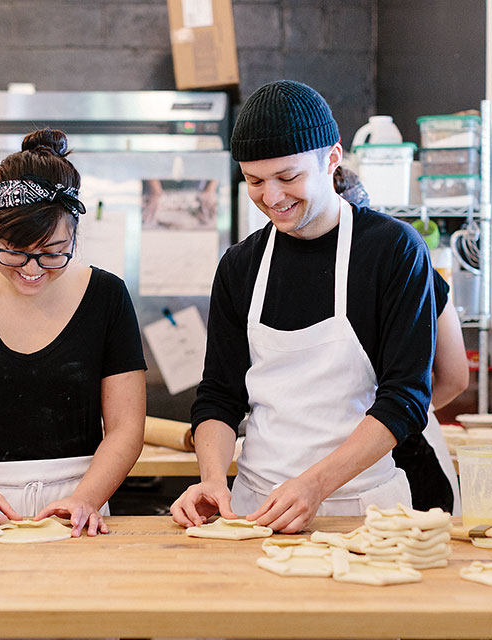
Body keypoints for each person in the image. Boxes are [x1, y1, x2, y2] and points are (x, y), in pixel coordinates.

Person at [170, 80, 437, 533]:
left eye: (288, 177)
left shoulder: (393, 250)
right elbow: (218, 394)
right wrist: (213, 479)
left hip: (364, 509)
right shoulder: (241, 265)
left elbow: (406, 399)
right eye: (255, 181)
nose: (271, 198)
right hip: (254, 508)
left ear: (331, 159)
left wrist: (315, 485)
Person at [0, 128, 147, 536]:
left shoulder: (107, 297)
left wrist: (86, 497)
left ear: (73, 234)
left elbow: (126, 428)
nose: (31, 270)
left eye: (52, 253)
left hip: (76, 503)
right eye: (13, 251)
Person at [335, 166, 468, 514]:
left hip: (400, 469)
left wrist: (381, 425)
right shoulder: (409, 261)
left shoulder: (407, 260)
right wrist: (402, 414)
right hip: (410, 452)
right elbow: (455, 377)